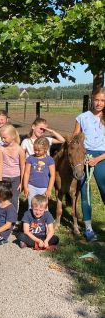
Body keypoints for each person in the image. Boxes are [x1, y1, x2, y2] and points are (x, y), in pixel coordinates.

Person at [72, 87, 105, 241]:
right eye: (97, 99)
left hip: (102, 157)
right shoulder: (82, 117)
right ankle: (89, 229)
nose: (99, 103)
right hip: (84, 156)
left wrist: (97, 160)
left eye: (103, 100)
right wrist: (81, 156)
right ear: (92, 99)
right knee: (85, 193)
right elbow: (75, 139)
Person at [0, 124, 25, 212]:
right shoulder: (1, 149)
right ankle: (4, 217)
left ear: (13, 136)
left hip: (16, 178)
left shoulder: (20, 149)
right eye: (1, 137)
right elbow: (0, 164)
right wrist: (0, 180)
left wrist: (22, 182)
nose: (2, 140)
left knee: (14, 199)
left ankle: (13, 219)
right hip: (5, 177)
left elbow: (22, 166)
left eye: (4, 137)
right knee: (4, 198)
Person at [23, 137, 55, 208]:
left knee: (43, 207)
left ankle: (43, 219)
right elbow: (27, 173)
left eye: (39, 150)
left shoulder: (50, 160)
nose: (36, 152)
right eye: (35, 150)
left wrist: (49, 189)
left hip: (44, 188)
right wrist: (25, 187)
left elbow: (52, 175)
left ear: (46, 149)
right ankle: (31, 219)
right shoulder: (30, 158)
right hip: (31, 186)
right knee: (31, 206)